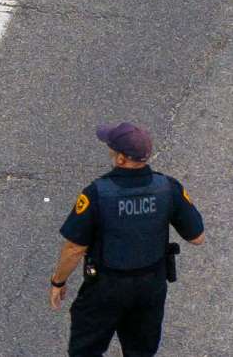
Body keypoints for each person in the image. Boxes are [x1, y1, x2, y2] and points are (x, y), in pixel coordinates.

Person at [50, 123, 205, 357]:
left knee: (85, 349)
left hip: (106, 287)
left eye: (112, 150)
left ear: (121, 159)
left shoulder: (97, 193)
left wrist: (58, 282)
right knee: (141, 351)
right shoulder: (168, 188)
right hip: (150, 286)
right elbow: (197, 237)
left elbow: (74, 248)